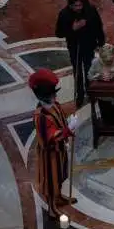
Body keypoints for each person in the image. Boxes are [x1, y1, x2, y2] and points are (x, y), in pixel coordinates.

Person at [29, 69, 78, 220]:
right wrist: (67, 131)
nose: (55, 96)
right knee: (51, 181)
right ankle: (52, 207)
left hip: (60, 150)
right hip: (50, 155)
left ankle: (58, 197)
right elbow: (47, 139)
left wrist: (68, 125)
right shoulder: (41, 116)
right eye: (52, 94)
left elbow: (61, 120)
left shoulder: (54, 105)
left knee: (61, 175)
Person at [55, 0, 105, 107]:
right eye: (75, 6)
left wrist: (101, 41)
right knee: (77, 71)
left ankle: (90, 91)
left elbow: (98, 25)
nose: (78, 8)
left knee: (89, 69)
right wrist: (73, 29)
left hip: (89, 45)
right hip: (74, 47)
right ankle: (80, 94)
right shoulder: (64, 14)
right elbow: (58, 33)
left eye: (80, 5)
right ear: (70, 5)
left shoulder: (90, 10)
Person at [88, 43, 114, 125]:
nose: (108, 63)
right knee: (106, 121)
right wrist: (99, 76)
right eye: (105, 61)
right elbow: (89, 76)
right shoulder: (96, 62)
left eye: (110, 61)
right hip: (104, 96)